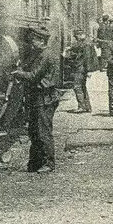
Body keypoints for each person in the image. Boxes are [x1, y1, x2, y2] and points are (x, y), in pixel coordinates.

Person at [12, 24, 60, 173]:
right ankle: (35, 162)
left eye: (34, 39)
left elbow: (33, 76)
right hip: (37, 98)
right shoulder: (38, 54)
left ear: (41, 41)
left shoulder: (45, 56)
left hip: (44, 98)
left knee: (43, 132)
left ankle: (49, 163)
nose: (31, 42)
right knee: (34, 131)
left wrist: (17, 73)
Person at [63, 29, 98, 113]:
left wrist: (89, 70)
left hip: (81, 68)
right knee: (82, 87)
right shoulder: (85, 42)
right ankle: (87, 107)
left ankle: (81, 107)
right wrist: (70, 48)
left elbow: (88, 58)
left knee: (77, 86)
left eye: (76, 37)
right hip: (81, 68)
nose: (76, 39)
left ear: (80, 35)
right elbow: (78, 47)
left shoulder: (86, 44)